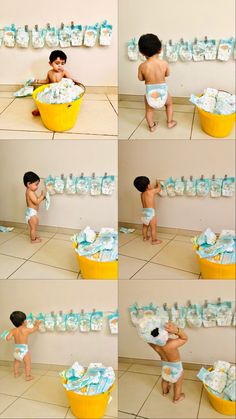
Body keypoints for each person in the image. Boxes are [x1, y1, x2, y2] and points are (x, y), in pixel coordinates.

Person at [138, 34, 177, 132]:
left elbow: (140, 78)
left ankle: (151, 126)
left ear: (141, 53)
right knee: (169, 105)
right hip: (163, 91)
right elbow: (167, 74)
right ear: (160, 50)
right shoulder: (164, 63)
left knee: (149, 110)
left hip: (150, 92)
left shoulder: (142, 66)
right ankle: (170, 122)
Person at [149, 322, 188, 403]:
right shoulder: (171, 344)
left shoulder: (154, 344)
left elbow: (148, 339)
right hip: (176, 368)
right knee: (177, 383)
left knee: (165, 379)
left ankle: (165, 392)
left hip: (165, 367)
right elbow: (184, 338)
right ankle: (177, 398)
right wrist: (176, 331)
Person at [32, 50, 80, 116]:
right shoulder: (49, 72)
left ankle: (62, 108)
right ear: (50, 63)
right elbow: (47, 81)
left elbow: (70, 80)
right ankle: (39, 110)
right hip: (52, 89)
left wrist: (75, 81)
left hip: (61, 90)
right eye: (57, 63)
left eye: (62, 63)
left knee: (65, 98)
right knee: (43, 97)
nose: (60, 66)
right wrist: (38, 81)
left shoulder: (64, 72)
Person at [6, 311, 40, 381]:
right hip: (24, 349)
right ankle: (27, 376)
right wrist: (37, 324)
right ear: (24, 322)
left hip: (17, 349)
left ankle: (16, 373)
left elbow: (8, 338)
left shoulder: (13, 330)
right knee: (27, 363)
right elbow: (34, 329)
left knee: (16, 362)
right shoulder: (25, 330)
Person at [133, 176, 162, 244]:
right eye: (149, 184)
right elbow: (159, 189)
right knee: (153, 227)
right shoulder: (151, 192)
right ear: (148, 186)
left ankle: (145, 237)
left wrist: (153, 187)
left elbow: (153, 190)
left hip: (144, 212)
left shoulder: (142, 194)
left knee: (145, 226)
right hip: (151, 212)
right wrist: (158, 183)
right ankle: (154, 240)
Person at [23, 171, 45, 243]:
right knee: (33, 228)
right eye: (36, 184)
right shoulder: (30, 192)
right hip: (31, 213)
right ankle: (33, 240)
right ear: (29, 184)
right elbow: (36, 202)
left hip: (32, 212)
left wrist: (42, 198)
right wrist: (42, 196)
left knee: (34, 226)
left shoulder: (30, 191)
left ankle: (34, 235)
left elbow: (35, 200)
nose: (37, 187)